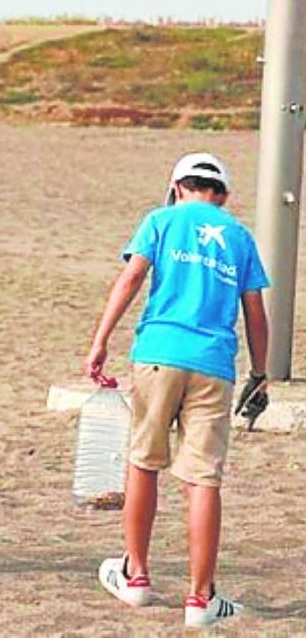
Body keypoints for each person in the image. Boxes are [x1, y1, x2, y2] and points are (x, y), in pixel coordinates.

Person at [85, 152, 270, 628]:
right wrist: (261, 371)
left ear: (176, 186)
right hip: (214, 364)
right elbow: (255, 311)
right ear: (223, 195)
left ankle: (137, 575)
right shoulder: (240, 236)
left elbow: (130, 279)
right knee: (203, 478)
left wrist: (101, 340)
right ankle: (200, 597)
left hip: (158, 353)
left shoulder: (161, 220)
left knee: (144, 462)